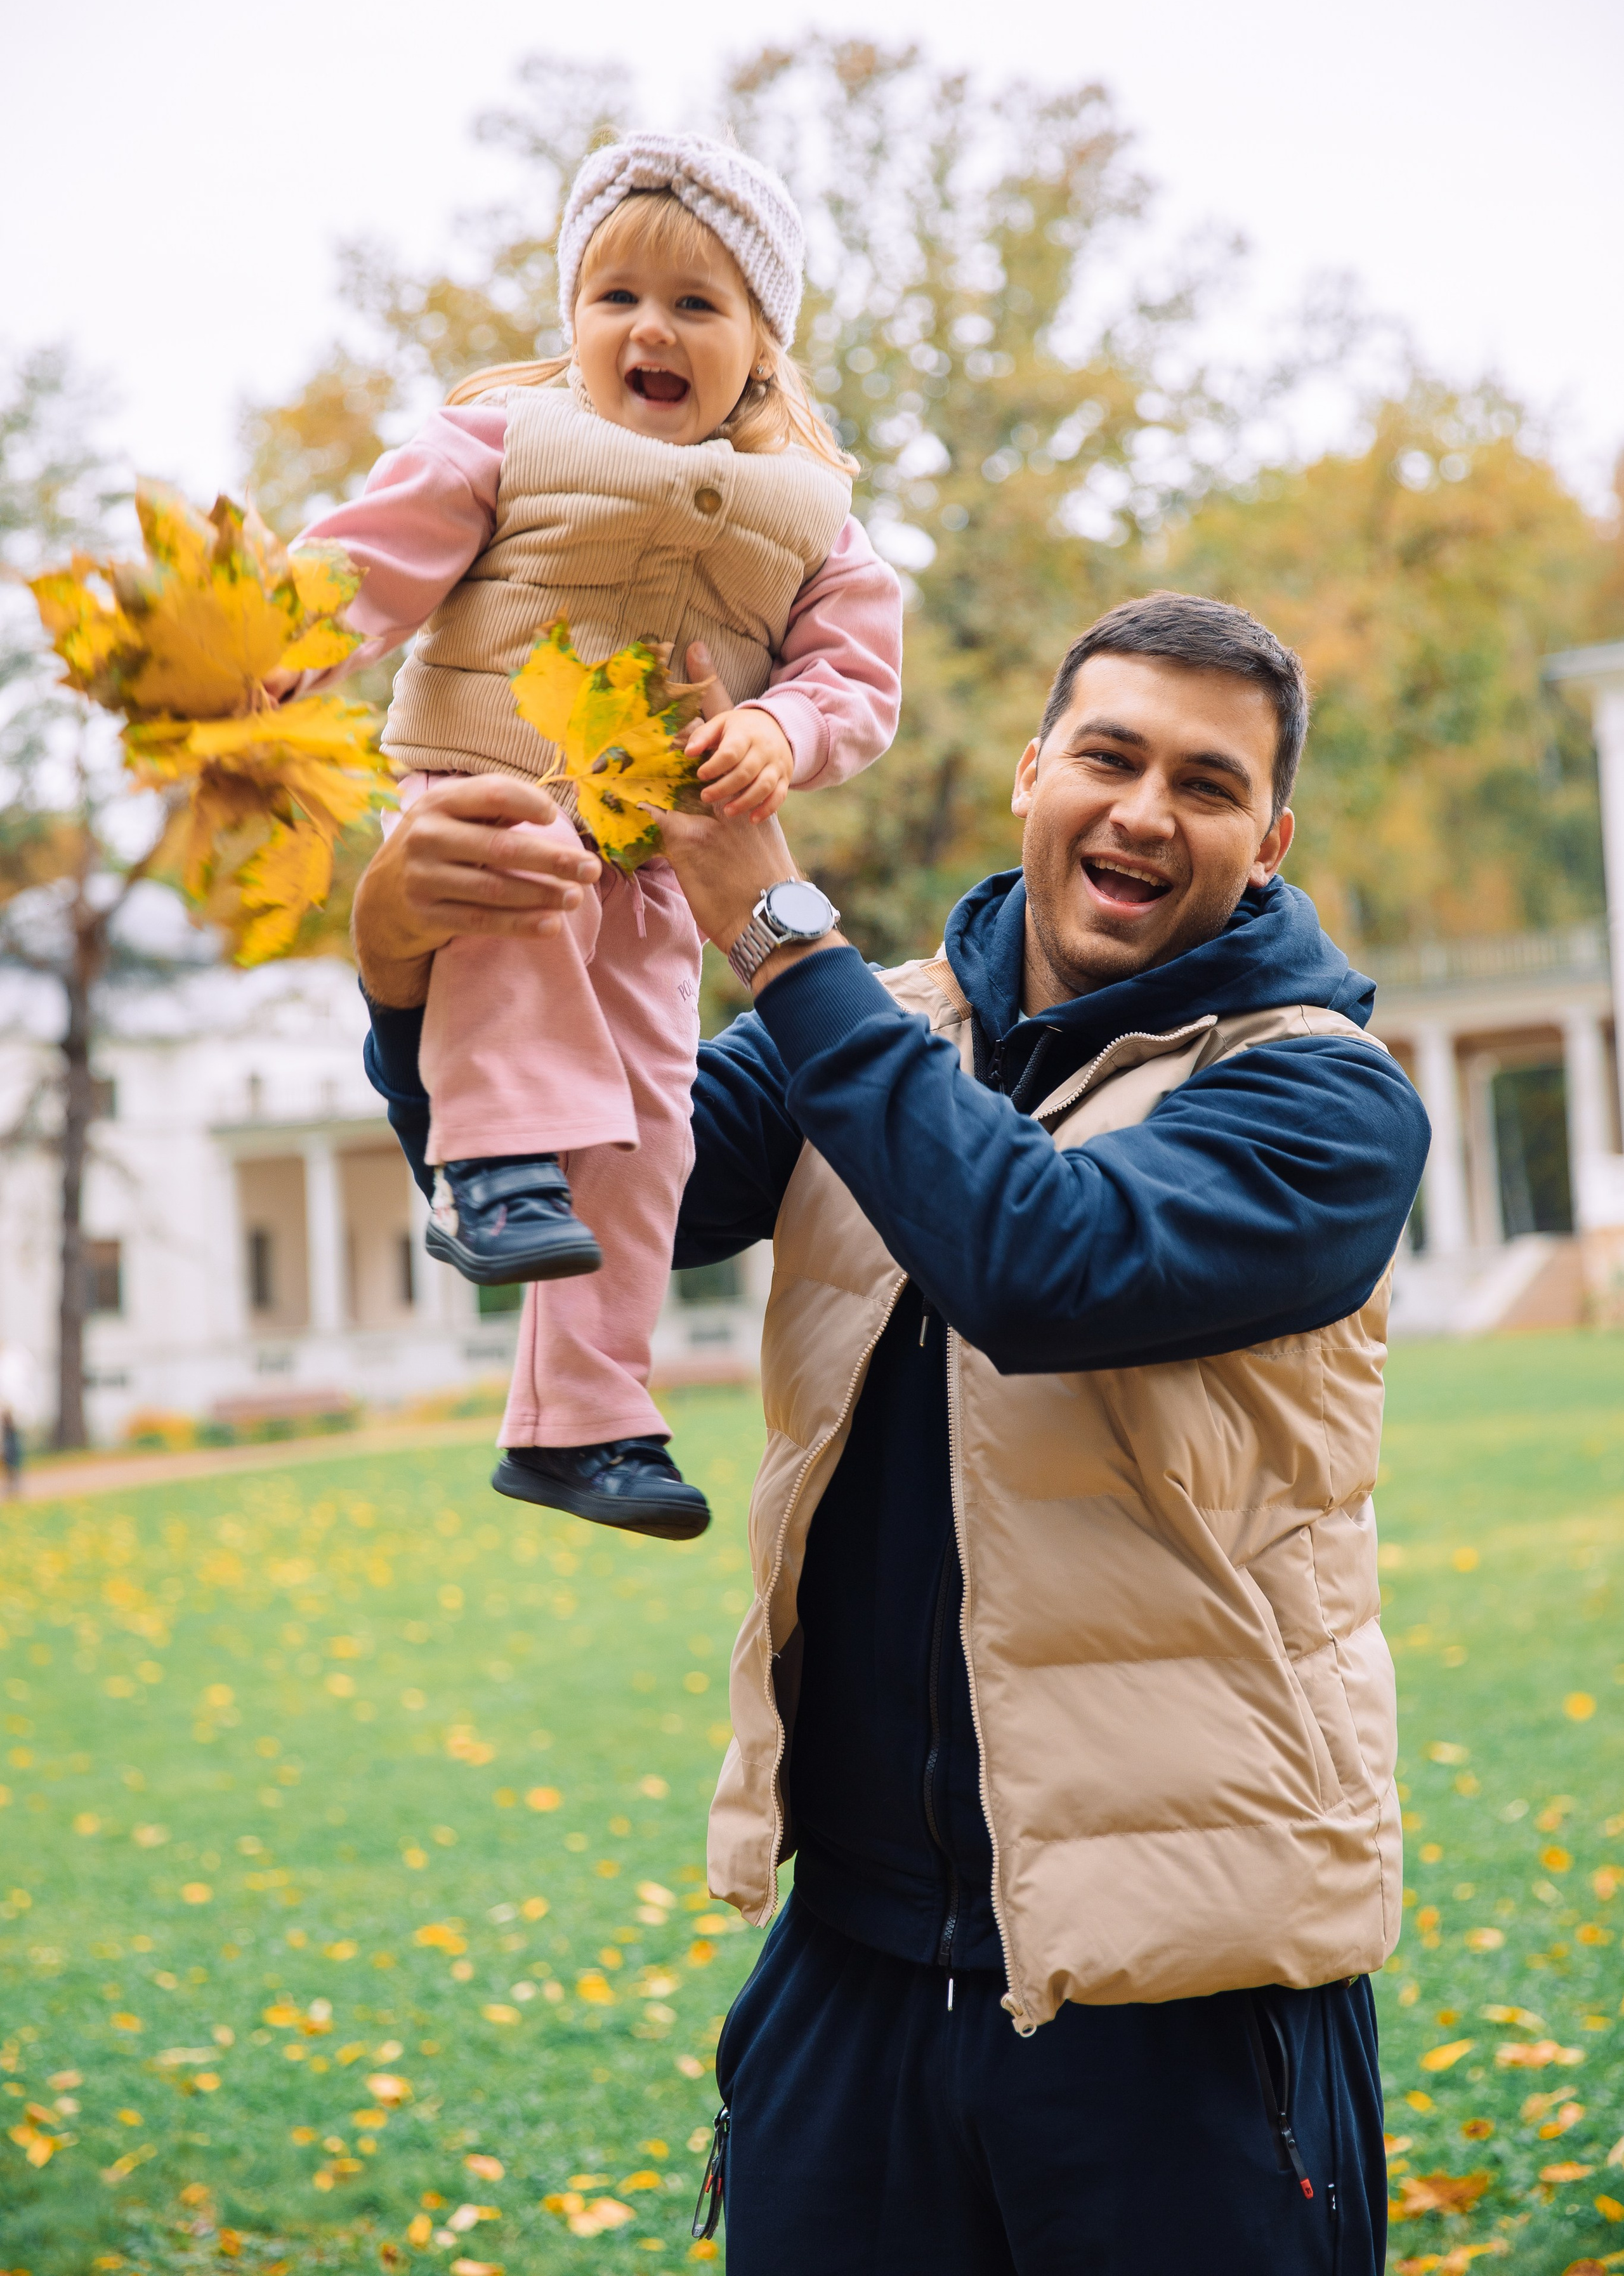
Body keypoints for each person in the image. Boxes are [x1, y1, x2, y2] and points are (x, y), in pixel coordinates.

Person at [353, 590, 1430, 2275]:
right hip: (851, 1973)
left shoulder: (1323, 1096)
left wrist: (771, 922)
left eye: (1207, 786)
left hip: (1183, 2002)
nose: (1146, 811)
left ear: (1271, 837)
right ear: (1031, 775)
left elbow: (1043, 1260)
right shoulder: (869, 1031)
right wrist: (415, 976)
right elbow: (594, 1183)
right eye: (1111, 755)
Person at [296, 132, 903, 1542]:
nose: (651, 327)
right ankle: (493, 1173)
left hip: (647, 864)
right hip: (488, 787)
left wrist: (781, 734)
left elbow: (852, 684)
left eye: (696, 305)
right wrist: (275, 651)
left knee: (648, 1132)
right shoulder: (503, 439)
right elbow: (364, 565)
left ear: (761, 346)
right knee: (516, 927)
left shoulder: (818, 517)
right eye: (614, 295)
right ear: (570, 321)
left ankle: (584, 1422)